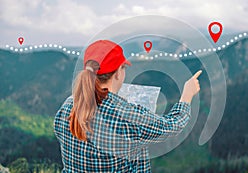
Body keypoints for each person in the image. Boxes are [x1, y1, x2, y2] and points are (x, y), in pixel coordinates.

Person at [54, 40, 202, 173]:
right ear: (118, 73)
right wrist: (186, 97)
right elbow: (172, 126)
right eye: (123, 68)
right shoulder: (127, 115)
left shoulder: (68, 105)